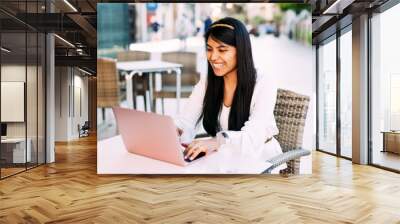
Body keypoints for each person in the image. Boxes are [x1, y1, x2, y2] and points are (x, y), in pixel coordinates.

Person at [174, 17, 283, 164]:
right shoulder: (207, 82)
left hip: (260, 160)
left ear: (241, 50)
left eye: (222, 50)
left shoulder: (263, 82)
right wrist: (175, 131)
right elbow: (186, 120)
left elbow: (253, 137)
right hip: (223, 158)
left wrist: (217, 142)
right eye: (209, 49)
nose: (213, 57)